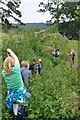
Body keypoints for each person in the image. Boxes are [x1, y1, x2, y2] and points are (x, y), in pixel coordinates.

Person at [2, 49, 31, 120]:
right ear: (13, 63)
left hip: (11, 94)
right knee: (28, 98)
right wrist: (11, 51)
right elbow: (16, 58)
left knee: (15, 108)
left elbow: (9, 66)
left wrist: (8, 58)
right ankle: (21, 114)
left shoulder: (3, 73)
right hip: (20, 93)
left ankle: (14, 114)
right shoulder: (16, 69)